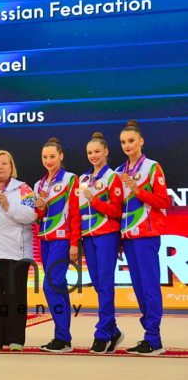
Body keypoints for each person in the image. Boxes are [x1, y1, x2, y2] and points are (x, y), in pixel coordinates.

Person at [116, 120, 171, 356]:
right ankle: (148, 336)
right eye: (123, 142)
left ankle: (154, 338)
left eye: (131, 141)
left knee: (149, 287)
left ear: (141, 141)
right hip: (127, 237)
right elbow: (117, 209)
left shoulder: (151, 167)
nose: (127, 145)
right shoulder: (118, 172)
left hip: (147, 234)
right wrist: (118, 239)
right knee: (138, 288)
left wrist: (139, 191)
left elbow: (164, 202)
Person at [0, 150, 36, 352]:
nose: (0, 167)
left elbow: (31, 215)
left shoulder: (23, 188)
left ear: (11, 167)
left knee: (15, 297)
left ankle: (16, 340)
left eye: (4, 163)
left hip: (15, 253)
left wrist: (7, 205)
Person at [78, 133, 125, 354]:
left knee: (105, 283)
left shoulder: (113, 178)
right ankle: (113, 330)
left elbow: (117, 211)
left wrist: (95, 201)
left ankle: (103, 334)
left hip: (107, 235)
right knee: (97, 284)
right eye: (90, 152)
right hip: (88, 237)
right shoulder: (83, 179)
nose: (93, 156)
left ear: (106, 152)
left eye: (97, 151)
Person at [33, 138, 80, 353]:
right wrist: (40, 208)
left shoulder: (71, 180)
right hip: (45, 239)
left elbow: (75, 213)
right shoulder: (39, 185)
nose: (48, 160)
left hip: (62, 240)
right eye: (45, 157)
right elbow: (39, 217)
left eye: (52, 156)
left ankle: (62, 337)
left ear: (61, 157)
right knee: (59, 287)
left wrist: (74, 243)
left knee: (50, 286)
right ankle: (64, 338)